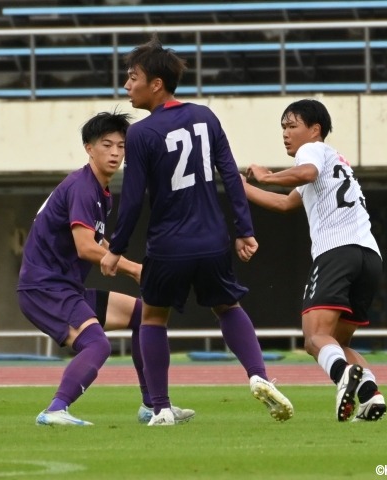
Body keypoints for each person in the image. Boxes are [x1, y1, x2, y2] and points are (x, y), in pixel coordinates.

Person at [100, 35, 294, 426]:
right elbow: (231, 175)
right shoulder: (206, 116)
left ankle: (161, 408)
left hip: (169, 245)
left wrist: (115, 249)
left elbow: (134, 200)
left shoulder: (140, 134)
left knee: (153, 319)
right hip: (212, 240)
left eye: (132, 77)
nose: (126, 86)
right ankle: (259, 375)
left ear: (156, 84)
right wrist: (244, 229)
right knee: (228, 307)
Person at [17, 110, 194, 426]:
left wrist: (117, 260)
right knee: (97, 344)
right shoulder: (84, 187)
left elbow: (95, 246)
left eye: (121, 146)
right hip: (45, 288)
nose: (115, 153)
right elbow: (87, 248)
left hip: (66, 287)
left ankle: (153, 406)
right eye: (106, 145)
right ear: (88, 148)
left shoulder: (100, 192)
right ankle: (55, 410)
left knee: (143, 315)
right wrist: (135, 269)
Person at [243, 99, 387, 422]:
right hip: (369, 257)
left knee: (313, 337)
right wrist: (245, 189)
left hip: (337, 252)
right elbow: (285, 204)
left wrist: (266, 176)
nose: (285, 133)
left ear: (315, 130)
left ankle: (341, 377)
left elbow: (305, 173)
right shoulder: (337, 163)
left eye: (292, 125)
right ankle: (371, 394)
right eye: (283, 127)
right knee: (335, 341)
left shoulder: (312, 151)